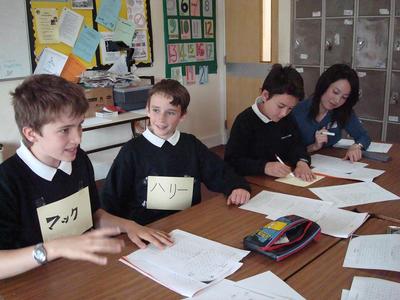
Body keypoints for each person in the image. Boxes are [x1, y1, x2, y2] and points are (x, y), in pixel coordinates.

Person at [0, 74, 172, 278]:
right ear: (31, 134)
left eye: (79, 125)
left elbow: (93, 214)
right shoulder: (7, 181)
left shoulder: (78, 160)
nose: (78, 138)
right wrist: (53, 248)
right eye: (64, 130)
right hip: (34, 281)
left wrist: (129, 225)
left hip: (82, 272)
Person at [101, 79, 251, 225]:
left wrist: (237, 186)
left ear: (182, 115)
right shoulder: (132, 151)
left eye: (170, 113)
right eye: (156, 110)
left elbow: (220, 172)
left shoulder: (191, 145)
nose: (161, 118)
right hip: (146, 227)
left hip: (188, 222)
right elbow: (111, 198)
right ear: (147, 109)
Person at [224, 64, 314, 181]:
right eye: (280, 106)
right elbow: (232, 161)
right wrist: (264, 167)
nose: (284, 113)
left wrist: (302, 162)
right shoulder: (245, 121)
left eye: (290, 108)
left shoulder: (287, 118)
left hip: (283, 180)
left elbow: (297, 145)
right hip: (252, 182)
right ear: (265, 95)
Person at [292, 64, 371, 162]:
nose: (337, 100)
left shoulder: (343, 110)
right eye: (335, 92)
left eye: (344, 97)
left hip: (331, 162)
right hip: (301, 165)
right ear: (324, 85)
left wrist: (357, 146)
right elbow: (287, 151)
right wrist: (314, 146)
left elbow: (363, 136)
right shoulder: (298, 111)